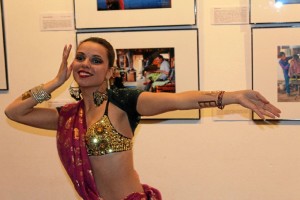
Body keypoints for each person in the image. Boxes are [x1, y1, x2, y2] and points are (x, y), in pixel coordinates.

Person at [5, 37, 281, 200]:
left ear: (111, 71)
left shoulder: (124, 102)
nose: (86, 64)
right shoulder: (68, 117)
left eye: (96, 60)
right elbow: (15, 111)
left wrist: (232, 96)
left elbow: (181, 100)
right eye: (80, 57)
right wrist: (55, 82)